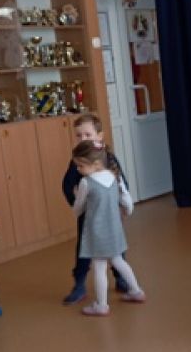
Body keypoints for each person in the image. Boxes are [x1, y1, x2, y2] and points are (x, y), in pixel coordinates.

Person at [71, 140, 145, 317]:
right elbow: (126, 200)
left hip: (97, 232)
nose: (78, 169)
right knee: (118, 260)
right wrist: (128, 210)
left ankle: (101, 305)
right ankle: (136, 291)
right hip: (115, 229)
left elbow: (78, 209)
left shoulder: (86, 183)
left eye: (81, 165)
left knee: (99, 266)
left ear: (96, 163)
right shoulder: (114, 177)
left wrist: (76, 198)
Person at [62, 113, 128, 305]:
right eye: (79, 135)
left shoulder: (109, 158)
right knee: (84, 248)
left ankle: (121, 278)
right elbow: (67, 185)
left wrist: (123, 205)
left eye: (88, 135)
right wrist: (77, 204)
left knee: (116, 247)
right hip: (88, 215)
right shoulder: (76, 162)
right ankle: (79, 283)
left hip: (111, 215)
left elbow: (121, 183)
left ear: (100, 136)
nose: (83, 139)